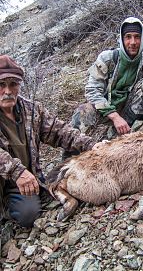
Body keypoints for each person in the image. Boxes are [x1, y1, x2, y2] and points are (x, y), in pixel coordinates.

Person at [0, 55, 97, 228]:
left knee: (28, 213)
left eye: (13, 84)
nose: (7, 91)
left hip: (26, 182)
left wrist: (92, 145)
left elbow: (60, 132)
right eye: (1, 85)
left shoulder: (31, 110)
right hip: (9, 179)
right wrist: (16, 171)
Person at [71, 16, 143, 138]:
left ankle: (124, 131)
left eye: (137, 37)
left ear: (142, 38)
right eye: (128, 37)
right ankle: (72, 153)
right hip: (106, 109)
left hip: (132, 113)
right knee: (82, 112)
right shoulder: (107, 58)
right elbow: (92, 90)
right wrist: (114, 116)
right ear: (122, 39)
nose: (132, 42)